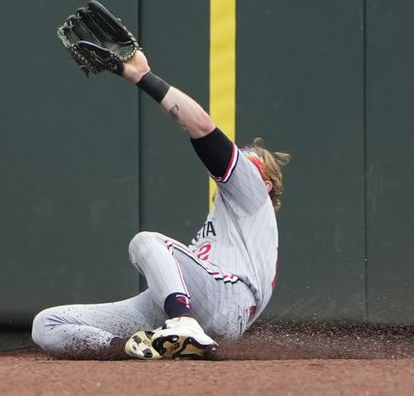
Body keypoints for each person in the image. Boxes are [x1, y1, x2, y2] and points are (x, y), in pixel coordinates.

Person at [32, 45, 291, 360]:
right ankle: (134, 349)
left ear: (265, 186)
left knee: (148, 241)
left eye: (248, 165)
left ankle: (183, 323)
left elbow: (202, 128)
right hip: (194, 301)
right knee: (47, 324)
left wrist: (144, 77)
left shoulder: (253, 198)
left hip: (225, 299)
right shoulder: (230, 225)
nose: (239, 166)